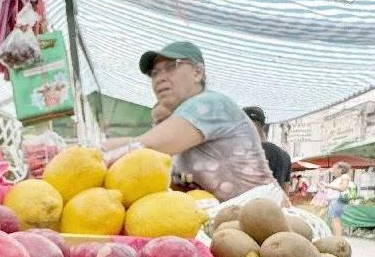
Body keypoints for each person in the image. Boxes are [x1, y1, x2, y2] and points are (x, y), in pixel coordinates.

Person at [104, 42, 277, 201]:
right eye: (154, 73)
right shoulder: (183, 123)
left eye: (171, 67)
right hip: (227, 218)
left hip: (262, 217)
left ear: (197, 72)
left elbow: (142, 146)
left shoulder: (209, 104)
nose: (159, 78)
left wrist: (90, 151)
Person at [244, 106, 292, 193]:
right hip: (275, 205)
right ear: (263, 125)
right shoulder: (285, 156)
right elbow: (286, 192)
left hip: (251, 205)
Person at [325, 161, 353, 237]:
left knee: (335, 220)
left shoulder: (345, 177)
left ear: (341, 169)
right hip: (334, 202)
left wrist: (328, 186)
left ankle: (338, 239)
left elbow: (343, 188)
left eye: (334, 169)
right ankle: (337, 238)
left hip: (337, 201)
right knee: (335, 220)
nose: (333, 171)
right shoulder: (339, 178)